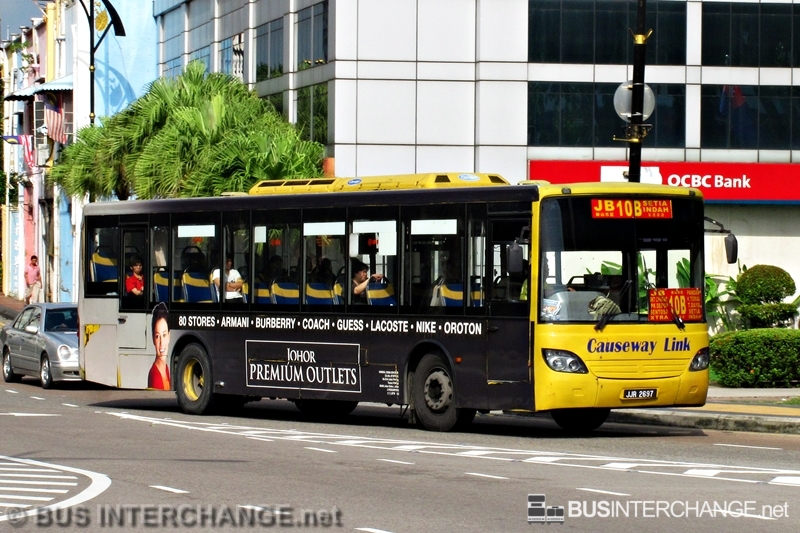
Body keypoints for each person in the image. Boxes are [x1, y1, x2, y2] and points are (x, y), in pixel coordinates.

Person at [148, 302, 171, 390]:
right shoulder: (155, 375)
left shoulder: (166, 368)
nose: (161, 343)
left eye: (164, 335)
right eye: (157, 336)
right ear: (153, 339)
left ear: (169, 336)